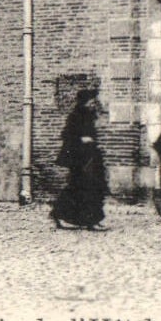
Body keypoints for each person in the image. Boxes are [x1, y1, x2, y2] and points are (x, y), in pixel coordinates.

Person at [51, 88, 108, 230]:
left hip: (90, 157)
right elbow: (66, 135)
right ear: (84, 101)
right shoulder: (75, 116)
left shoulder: (90, 115)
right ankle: (61, 214)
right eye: (91, 101)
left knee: (93, 188)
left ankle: (91, 219)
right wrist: (81, 139)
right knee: (78, 188)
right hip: (79, 159)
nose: (94, 103)